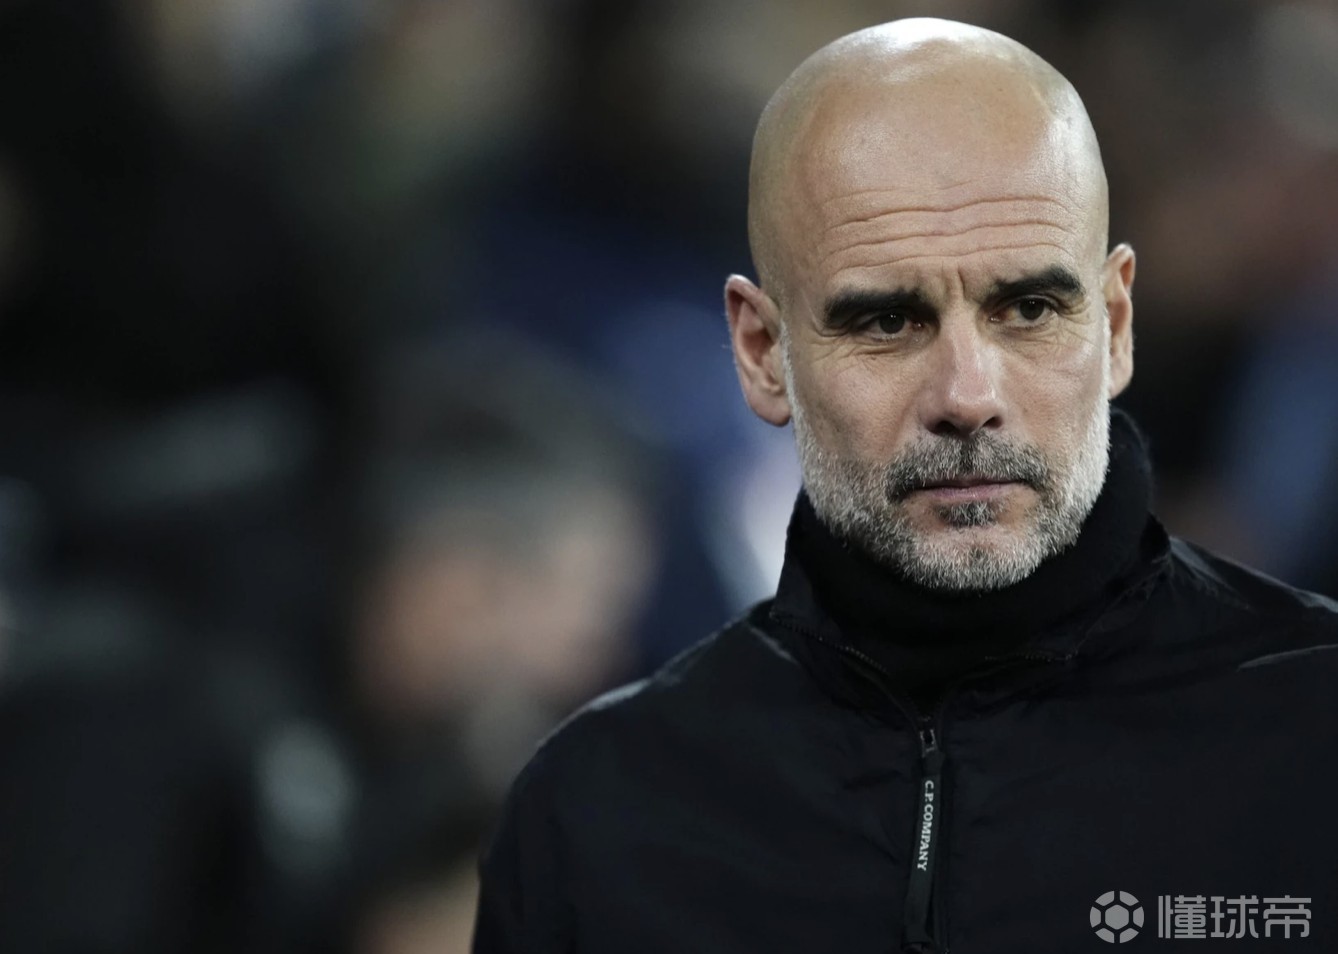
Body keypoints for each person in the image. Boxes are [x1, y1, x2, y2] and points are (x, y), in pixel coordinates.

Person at [471, 18, 1338, 953]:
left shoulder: (1317, 735)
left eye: (1029, 308)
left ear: (1115, 325)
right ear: (761, 353)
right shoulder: (598, 817)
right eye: (887, 321)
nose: (968, 397)